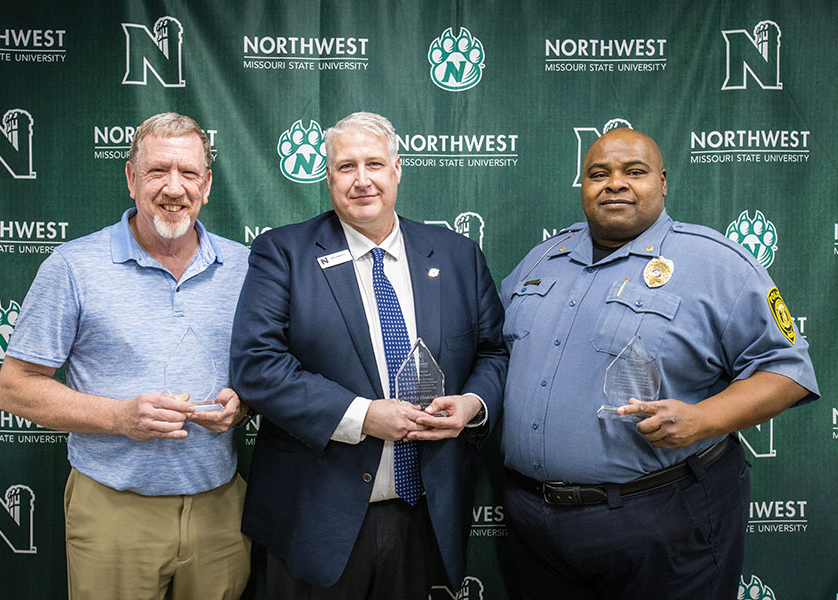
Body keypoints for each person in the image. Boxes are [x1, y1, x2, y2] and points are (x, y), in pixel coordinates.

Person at [501, 127, 818, 599]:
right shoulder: (541, 260)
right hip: (535, 525)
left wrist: (702, 419)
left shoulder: (717, 263)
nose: (614, 184)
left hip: (661, 516)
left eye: (634, 172)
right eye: (598, 174)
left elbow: (788, 372)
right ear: (583, 185)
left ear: (663, 182)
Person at [230, 111, 508, 599]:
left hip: (425, 511)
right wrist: (361, 417)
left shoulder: (458, 255)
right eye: (346, 167)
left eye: (374, 164)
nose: (362, 181)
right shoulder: (283, 253)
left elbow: (492, 353)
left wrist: (472, 405)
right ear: (329, 176)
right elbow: (258, 365)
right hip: (318, 517)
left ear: (397, 169)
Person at [0, 112, 252, 600]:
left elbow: (267, 371)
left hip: (221, 508)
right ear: (131, 179)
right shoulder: (72, 266)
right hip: (114, 509)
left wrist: (244, 405)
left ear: (208, 184)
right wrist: (119, 416)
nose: (174, 188)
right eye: (158, 171)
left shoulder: (244, 266)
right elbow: (15, 386)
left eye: (189, 173)